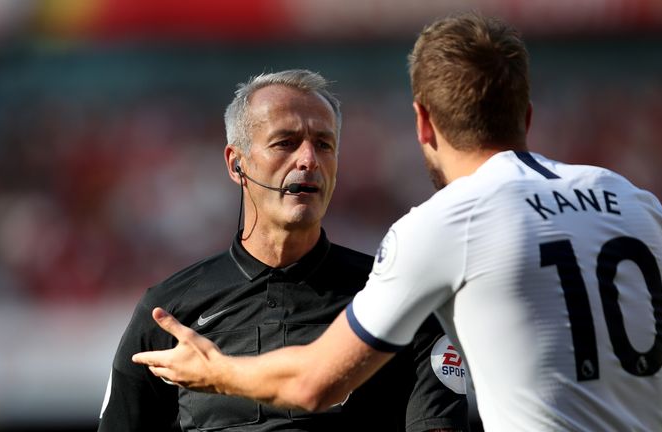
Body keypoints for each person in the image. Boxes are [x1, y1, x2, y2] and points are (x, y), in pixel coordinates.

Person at [132, 13, 662, 432]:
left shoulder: (446, 224)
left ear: (424, 123)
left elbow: (315, 385)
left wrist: (214, 371)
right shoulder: (634, 202)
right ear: (526, 113)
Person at [98, 69, 469, 431]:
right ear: (236, 163)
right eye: (285, 143)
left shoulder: (397, 298)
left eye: (324, 144)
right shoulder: (168, 312)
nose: (309, 160)